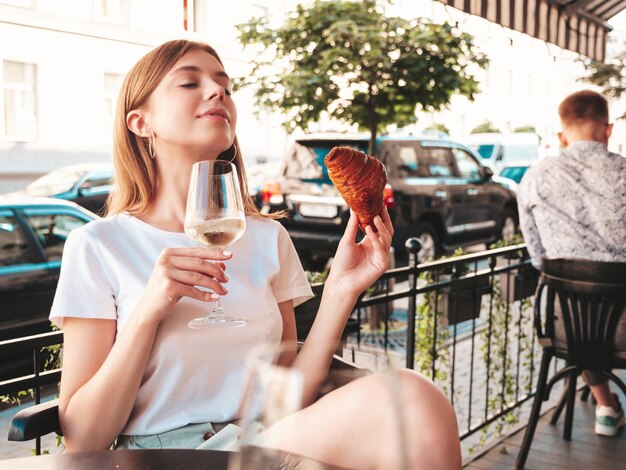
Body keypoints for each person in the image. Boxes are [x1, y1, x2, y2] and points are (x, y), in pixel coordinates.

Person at [50, 39, 461, 469]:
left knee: (413, 400)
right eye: (190, 82)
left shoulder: (267, 237)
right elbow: (84, 438)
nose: (217, 92)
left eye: (225, 86)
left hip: (266, 443)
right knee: (410, 399)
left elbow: (286, 396)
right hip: (169, 458)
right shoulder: (99, 245)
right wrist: (149, 311)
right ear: (140, 122)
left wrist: (341, 288)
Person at [518, 89, 626, 437]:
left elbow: (537, 257)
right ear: (607, 129)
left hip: (567, 329)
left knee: (581, 310)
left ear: (561, 136)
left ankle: (606, 406)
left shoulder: (535, 177)